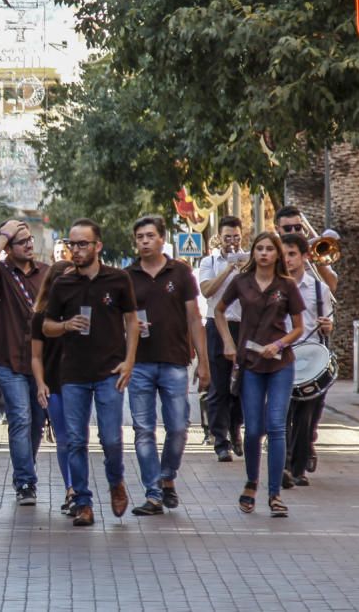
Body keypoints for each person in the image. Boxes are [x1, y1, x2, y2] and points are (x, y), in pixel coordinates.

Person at [43, 218, 138, 527]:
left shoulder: (118, 279)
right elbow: (45, 325)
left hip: (110, 370)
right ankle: (82, 501)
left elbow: (132, 321)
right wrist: (66, 325)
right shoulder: (63, 284)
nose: (76, 249)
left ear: (98, 246)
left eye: (83, 244)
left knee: (111, 437)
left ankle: (116, 481)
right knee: (74, 439)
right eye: (72, 244)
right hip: (73, 374)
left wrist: (129, 361)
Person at [214, 232, 304, 519]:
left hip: (280, 363)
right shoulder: (241, 282)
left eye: (269, 249)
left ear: (277, 254)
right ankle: (252, 481)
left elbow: (299, 327)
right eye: (259, 249)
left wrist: (279, 343)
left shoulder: (286, 286)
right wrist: (228, 342)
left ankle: (275, 493)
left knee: (276, 426)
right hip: (250, 363)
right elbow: (218, 310)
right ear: (253, 253)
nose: (264, 253)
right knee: (253, 430)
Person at [126, 216, 209, 516]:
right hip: (140, 364)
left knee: (178, 427)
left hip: (175, 360)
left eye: (150, 236)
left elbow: (194, 320)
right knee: (143, 430)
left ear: (162, 239)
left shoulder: (182, 272)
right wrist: (130, 327)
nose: (145, 241)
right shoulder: (128, 276)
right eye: (139, 237)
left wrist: (204, 364)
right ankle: (153, 494)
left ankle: (167, 475)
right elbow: (119, 320)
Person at [0, 219, 48, 505]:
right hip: (7, 358)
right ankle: (25, 483)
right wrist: (4, 234)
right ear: (8, 247)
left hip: (41, 362)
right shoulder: (0, 273)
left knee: (36, 423)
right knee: (20, 419)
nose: (29, 244)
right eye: (21, 241)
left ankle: (25, 468)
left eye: (30, 239)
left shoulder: (46, 273)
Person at [280, 234, 334, 487]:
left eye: (292, 254)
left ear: (304, 257)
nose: (287, 259)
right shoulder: (274, 286)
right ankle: (284, 463)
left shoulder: (317, 288)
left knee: (305, 416)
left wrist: (327, 326)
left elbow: (327, 324)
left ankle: (298, 467)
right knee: (282, 414)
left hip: (310, 360)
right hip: (282, 357)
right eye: (284, 254)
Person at [199, 216, 246, 462]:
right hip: (217, 326)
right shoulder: (209, 262)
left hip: (243, 326)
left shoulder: (250, 259)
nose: (232, 242)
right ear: (219, 237)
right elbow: (207, 291)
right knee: (219, 385)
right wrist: (228, 267)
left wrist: (243, 267)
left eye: (236, 237)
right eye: (227, 237)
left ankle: (236, 429)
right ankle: (220, 440)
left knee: (241, 385)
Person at [31, 260, 75, 514]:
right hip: (54, 384)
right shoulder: (41, 315)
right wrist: (40, 384)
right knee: (64, 438)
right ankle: (71, 489)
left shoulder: (83, 311)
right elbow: (36, 356)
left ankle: (78, 488)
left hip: (79, 383)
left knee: (77, 438)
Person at [274, 205, 338, 294]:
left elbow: (333, 286)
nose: (293, 232)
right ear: (277, 229)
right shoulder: (272, 252)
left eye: (297, 227)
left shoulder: (313, 249)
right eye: (287, 228)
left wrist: (316, 261)